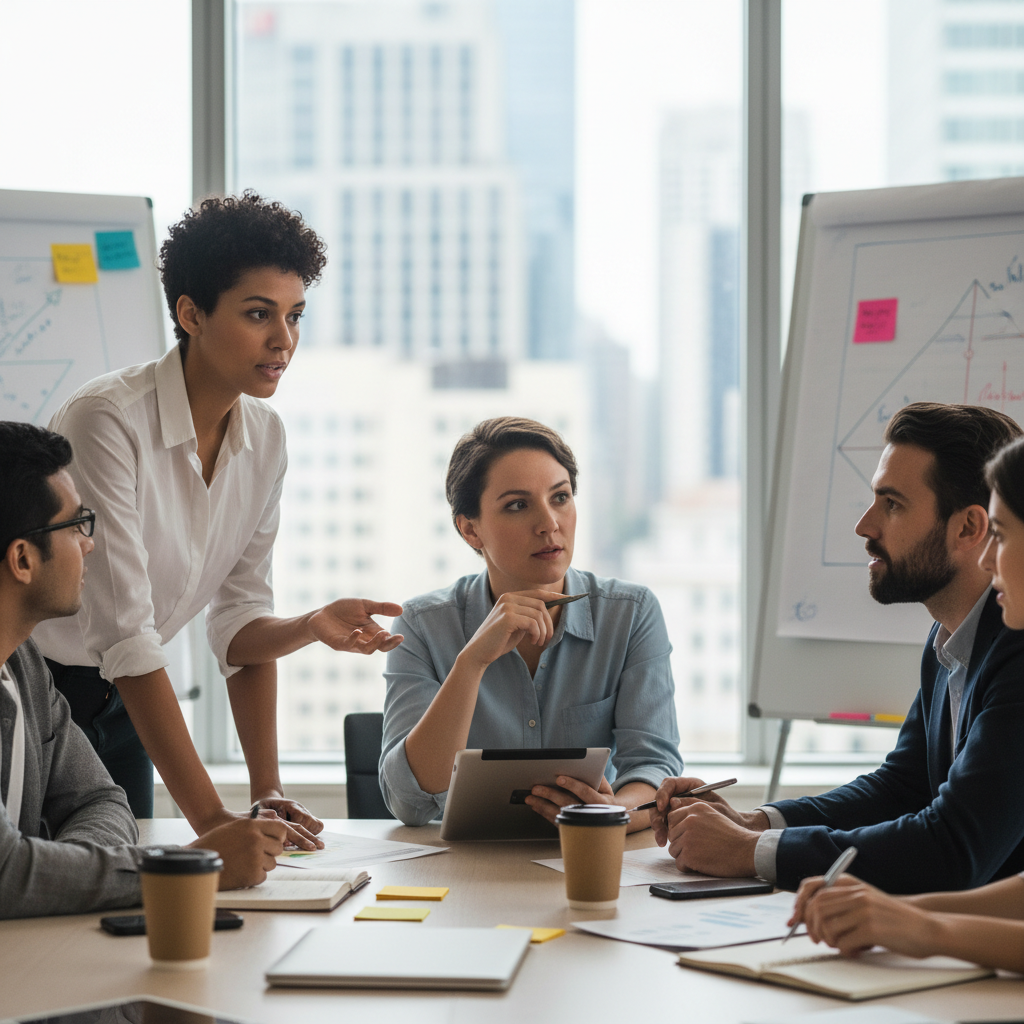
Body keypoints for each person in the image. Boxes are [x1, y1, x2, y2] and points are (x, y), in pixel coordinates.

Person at [33, 193, 403, 843]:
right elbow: (127, 634)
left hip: (127, 705)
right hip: (39, 694)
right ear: (191, 313)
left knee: (131, 898)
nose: (283, 340)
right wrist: (210, 821)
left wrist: (266, 794)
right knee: (52, 903)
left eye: (294, 316)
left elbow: (237, 627)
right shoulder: (108, 420)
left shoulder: (266, 439)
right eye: (259, 314)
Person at [650, 402, 1024, 893]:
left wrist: (749, 852)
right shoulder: (951, 638)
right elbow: (903, 787)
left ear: (969, 529)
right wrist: (756, 823)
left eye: (892, 504)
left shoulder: (1015, 656)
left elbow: (953, 848)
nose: (865, 526)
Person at [0, 422, 288, 919]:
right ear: (23, 559)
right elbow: (9, 875)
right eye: (75, 525)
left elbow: (100, 800)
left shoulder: (23, 666)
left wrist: (69, 872)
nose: (89, 544)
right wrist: (192, 867)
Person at [787, 434, 1024, 973]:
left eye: (1003, 535)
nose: (988, 558)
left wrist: (923, 927)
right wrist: (895, 913)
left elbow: (956, 846)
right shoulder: (948, 639)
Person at [379, 416, 683, 829]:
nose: (549, 524)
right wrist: (471, 664)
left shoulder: (630, 613)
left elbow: (653, 767)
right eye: (518, 505)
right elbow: (409, 802)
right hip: (465, 874)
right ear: (470, 530)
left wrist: (606, 817)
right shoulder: (420, 624)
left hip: (587, 854)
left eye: (560, 497)